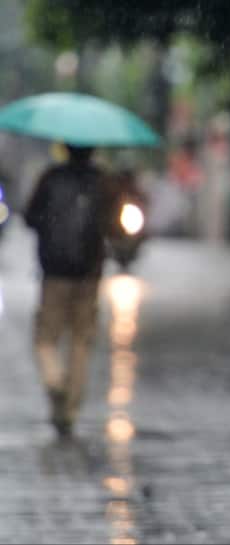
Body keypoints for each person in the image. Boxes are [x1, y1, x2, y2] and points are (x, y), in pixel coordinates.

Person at [24, 145, 114, 438]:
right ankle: (70, 412)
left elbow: (30, 217)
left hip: (54, 272)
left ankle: (54, 380)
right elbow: (114, 224)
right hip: (89, 274)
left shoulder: (50, 178)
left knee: (45, 338)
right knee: (81, 341)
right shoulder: (103, 181)